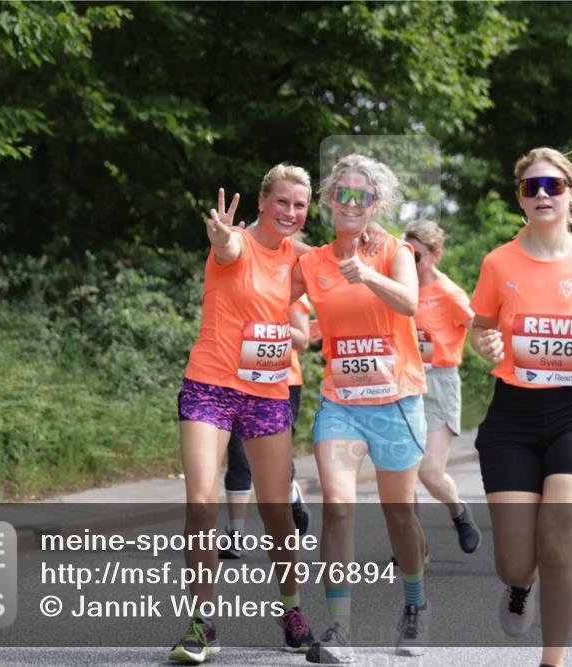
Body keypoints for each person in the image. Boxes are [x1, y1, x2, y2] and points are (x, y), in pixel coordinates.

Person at [469, 147, 572, 667]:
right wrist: (486, 346)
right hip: (512, 418)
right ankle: (521, 587)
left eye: (553, 186)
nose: (542, 194)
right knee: (516, 563)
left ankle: (552, 660)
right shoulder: (499, 262)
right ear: (520, 198)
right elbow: (480, 328)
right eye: (531, 187)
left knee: (559, 544)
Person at [171, 165, 318, 663]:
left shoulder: (300, 257)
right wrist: (219, 236)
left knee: (276, 511)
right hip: (210, 385)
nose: (291, 213)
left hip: (267, 393)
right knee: (202, 499)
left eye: (300, 205)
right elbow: (227, 250)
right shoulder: (233, 241)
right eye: (282, 203)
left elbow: (342, 270)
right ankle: (202, 622)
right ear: (262, 200)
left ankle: (293, 611)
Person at [291, 154, 430, 663]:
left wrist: (367, 275)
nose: (351, 203)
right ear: (329, 200)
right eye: (342, 194)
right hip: (341, 404)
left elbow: (410, 304)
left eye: (362, 196)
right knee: (339, 506)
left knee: (400, 515)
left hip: (396, 403)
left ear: (376, 204)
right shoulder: (313, 262)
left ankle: (415, 605)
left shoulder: (396, 252)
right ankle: (339, 630)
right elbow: (267, 294)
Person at [403, 218, 481, 555]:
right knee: (402, 471)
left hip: (439, 383)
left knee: (430, 473)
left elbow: (479, 325)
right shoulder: (400, 287)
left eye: (417, 256)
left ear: (436, 254)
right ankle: (413, 545)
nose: (410, 263)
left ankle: (459, 512)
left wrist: (497, 343)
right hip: (403, 381)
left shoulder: (449, 293)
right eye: (405, 255)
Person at [218, 296, 312, 560]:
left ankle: (291, 494)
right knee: (238, 455)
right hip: (240, 378)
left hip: (283, 382)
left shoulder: (291, 284)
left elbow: (303, 340)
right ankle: (236, 535)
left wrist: (263, 323)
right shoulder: (239, 283)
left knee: (275, 464)